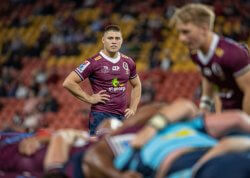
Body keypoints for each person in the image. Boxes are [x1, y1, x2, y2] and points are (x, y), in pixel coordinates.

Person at [83, 99, 250, 178]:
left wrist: (151, 128)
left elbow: (184, 106)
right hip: (187, 167)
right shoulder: (125, 142)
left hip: (226, 153)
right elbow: (91, 159)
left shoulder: (184, 123)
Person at [170, 3, 250, 114]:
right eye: (179, 32)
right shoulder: (195, 53)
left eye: (186, 32)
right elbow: (208, 76)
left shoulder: (232, 53)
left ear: (204, 29)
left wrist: (245, 125)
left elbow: (249, 90)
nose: (181, 38)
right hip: (227, 113)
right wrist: (205, 107)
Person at [63, 24, 141, 135]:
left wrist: (133, 108)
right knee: (99, 147)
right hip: (101, 115)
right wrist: (89, 99)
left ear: (121, 40)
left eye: (117, 38)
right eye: (110, 38)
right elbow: (68, 82)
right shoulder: (93, 62)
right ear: (103, 40)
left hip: (122, 116)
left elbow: (137, 85)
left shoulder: (128, 62)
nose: (114, 41)